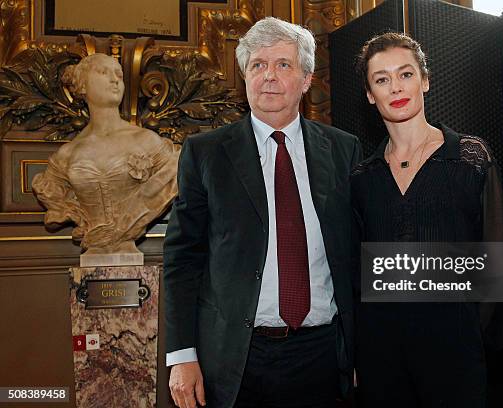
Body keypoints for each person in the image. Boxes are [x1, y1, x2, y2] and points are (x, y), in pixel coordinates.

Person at [163, 17, 362, 408]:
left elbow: (356, 255)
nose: (269, 76)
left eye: (283, 65)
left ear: (306, 80)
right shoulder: (206, 153)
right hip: (236, 359)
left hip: (324, 354)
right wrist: (182, 354)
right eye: (258, 65)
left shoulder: (344, 149)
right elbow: (182, 259)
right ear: (245, 78)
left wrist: (364, 349)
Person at [350, 32, 503, 407]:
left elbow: (496, 265)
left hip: (457, 354)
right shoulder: (362, 177)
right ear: (370, 94)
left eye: (405, 74)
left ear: (425, 80)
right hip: (381, 360)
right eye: (382, 79)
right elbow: (357, 277)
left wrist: (478, 345)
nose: (396, 87)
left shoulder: (471, 158)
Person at [32, 53, 179, 260]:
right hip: (93, 248)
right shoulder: (67, 154)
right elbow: (53, 196)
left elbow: (174, 174)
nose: (115, 79)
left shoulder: (147, 141)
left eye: (118, 74)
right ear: (82, 85)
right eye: (103, 72)